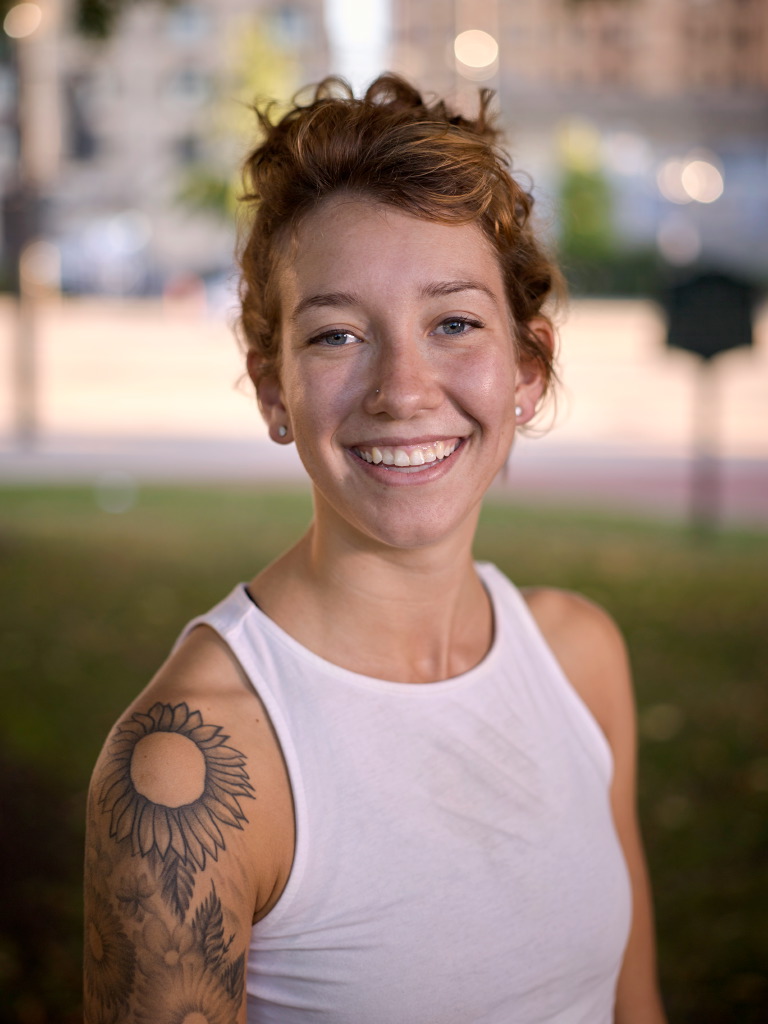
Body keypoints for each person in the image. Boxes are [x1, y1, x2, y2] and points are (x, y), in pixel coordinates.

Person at [83, 74, 667, 1024]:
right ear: (273, 390)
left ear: (528, 367)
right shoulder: (188, 770)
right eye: (338, 334)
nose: (403, 390)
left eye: (454, 323)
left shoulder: (579, 657)